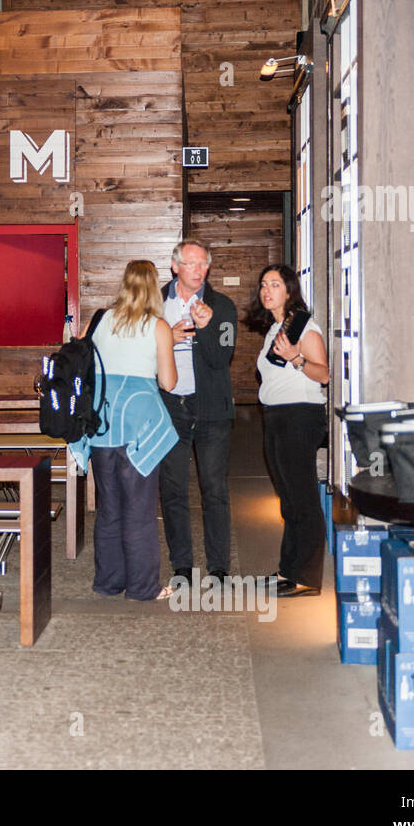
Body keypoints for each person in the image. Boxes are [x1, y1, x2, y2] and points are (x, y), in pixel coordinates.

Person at [68, 260, 179, 600]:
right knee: (141, 511)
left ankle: (108, 581)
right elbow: (169, 382)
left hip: (101, 426)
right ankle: (144, 587)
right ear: (152, 288)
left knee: (110, 508)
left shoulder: (99, 319)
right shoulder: (158, 326)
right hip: (139, 429)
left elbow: (81, 361)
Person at [244, 264, 330, 597]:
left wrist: (296, 358)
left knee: (302, 498)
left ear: (290, 290)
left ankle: (306, 577)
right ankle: (288, 570)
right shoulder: (277, 326)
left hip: (300, 417)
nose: (267, 290)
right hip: (278, 417)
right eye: (264, 284)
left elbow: (323, 374)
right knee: (288, 499)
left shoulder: (305, 327)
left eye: (275, 284)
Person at [157, 240, 238, 587]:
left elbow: (222, 358)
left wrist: (204, 329)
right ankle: (182, 566)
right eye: (191, 263)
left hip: (212, 410)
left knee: (214, 488)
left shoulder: (222, 306)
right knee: (173, 488)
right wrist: (168, 339)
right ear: (175, 267)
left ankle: (219, 567)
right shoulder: (154, 302)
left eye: (203, 264)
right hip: (170, 406)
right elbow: (141, 350)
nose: (198, 270)